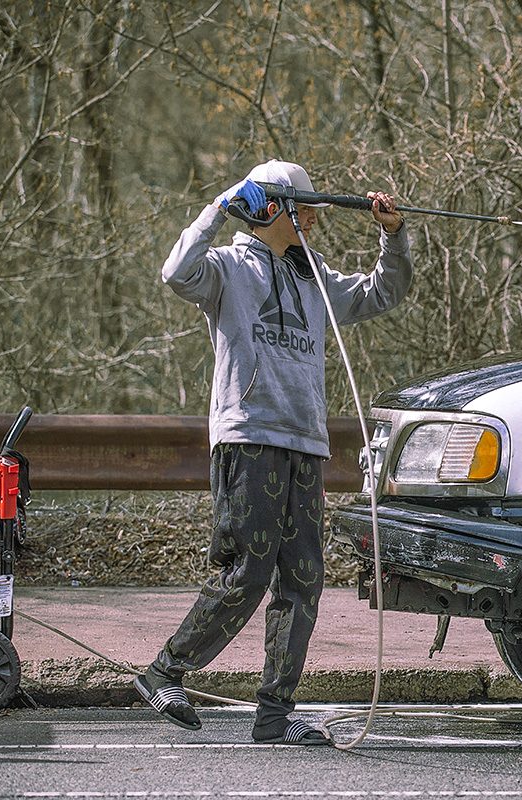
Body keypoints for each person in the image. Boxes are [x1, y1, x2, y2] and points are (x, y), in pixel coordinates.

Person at [135, 160, 412, 745]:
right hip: (248, 439)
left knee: (304, 577)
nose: (314, 217)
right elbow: (175, 272)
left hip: (304, 445)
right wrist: (221, 204)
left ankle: (275, 714)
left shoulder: (313, 275)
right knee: (247, 572)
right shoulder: (228, 269)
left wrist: (393, 235)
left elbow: (384, 292)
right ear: (271, 209)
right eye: (303, 206)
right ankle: (166, 672)